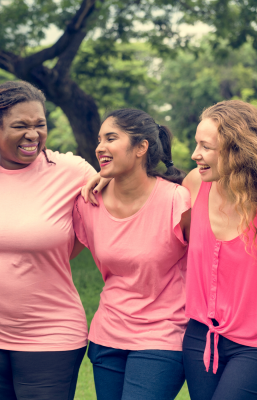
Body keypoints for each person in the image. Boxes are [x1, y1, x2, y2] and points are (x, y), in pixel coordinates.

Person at [0, 80, 96, 400]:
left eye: (40, 124)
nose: (33, 134)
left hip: (51, 335)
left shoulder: (73, 171)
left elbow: (92, 229)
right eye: (20, 125)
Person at [75, 108, 191, 400]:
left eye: (111, 138)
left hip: (163, 336)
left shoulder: (176, 200)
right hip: (107, 335)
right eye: (100, 139)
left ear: (141, 147)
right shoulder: (88, 203)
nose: (100, 146)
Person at [182, 100, 257, 400]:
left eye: (206, 147)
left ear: (236, 150)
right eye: (196, 144)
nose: (195, 155)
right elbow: (148, 199)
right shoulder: (194, 185)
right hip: (200, 337)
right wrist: (109, 177)